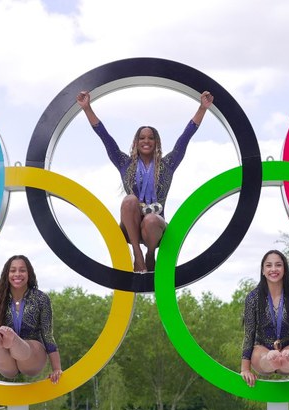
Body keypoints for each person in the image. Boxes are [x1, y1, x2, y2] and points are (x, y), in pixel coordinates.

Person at [76, 89, 214, 273]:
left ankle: (150, 254)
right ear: (136, 142)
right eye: (142, 138)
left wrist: (202, 108)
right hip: (130, 227)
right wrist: (87, 108)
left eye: (151, 138)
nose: (146, 141)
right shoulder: (124, 163)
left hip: (155, 229)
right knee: (129, 200)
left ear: (156, 142)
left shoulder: (167, 164)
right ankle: (138, 254)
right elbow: (105, 137)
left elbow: (185, 137)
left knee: (150, 219)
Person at [0, 255, 62, 387]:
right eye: (13, 270)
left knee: (23, 345)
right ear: (6, 274)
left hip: (33, 357)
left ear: (29, 273)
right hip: (7, 360)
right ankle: (0, 341)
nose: (17, 274)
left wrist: (57, 369)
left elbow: (47, 334)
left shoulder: (41, 299)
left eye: (22, 270)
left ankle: (13, 339)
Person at [240, 250, 289, 388]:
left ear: (285, 269)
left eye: (278, 265)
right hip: (261, 348)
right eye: (269, 265)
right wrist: (245, 369)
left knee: (287, 358)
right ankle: (270, 359)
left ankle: (285, 359)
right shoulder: (252, 298)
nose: (273, 269)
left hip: (288, 346)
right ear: (263, 270)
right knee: (266, 357)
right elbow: (249, 334)